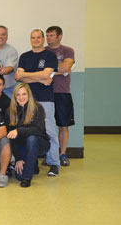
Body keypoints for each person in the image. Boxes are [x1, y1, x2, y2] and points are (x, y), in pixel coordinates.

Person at [15, 29, 60, 176]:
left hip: (45, 100)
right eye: (33, 37)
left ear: (43, 39)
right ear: (30, 39)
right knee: (27, 132)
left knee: (50, 132)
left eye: (38, 37)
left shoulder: (49, 56)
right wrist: (40, 78)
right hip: (26, 101)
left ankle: (54, 163)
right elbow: (18, 77)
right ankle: (31, 163)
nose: (35, 40)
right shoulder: (25, 56)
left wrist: (27, 75)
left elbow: (46, 74)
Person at [6, 83, 51, 187]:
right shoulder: (10, 112)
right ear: (14, 97)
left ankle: (27, 178)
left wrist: (18, 131)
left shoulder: (37, 108)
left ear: (29, 95)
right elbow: (11, 138)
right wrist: (18, 158)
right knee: (18, 176)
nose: (21, 97)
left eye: (24, 94)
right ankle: (32, 163)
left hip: (40, 143)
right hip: (21, 144)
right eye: (18, 95)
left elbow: (38, 130)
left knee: (31, 138)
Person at [46, 26, 75, 166]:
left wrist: (49, 70)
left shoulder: (67, 50)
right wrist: (59, 69)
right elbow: (41, 70)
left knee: (63, 125)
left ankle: (62, 154)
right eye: (47, 35)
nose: (49, 38)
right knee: (46, 126)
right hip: (45, 94)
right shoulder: (43, 51)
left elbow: (66, 68)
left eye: (51, 35)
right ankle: (49, 154)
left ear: (59, 36)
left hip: (62, 92)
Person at [0, 25, 19, 97]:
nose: (0, 37)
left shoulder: (11, 51)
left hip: (7, 89)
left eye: (3, 34)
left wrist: (4, 71)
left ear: (7, 36)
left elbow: (10, 67)